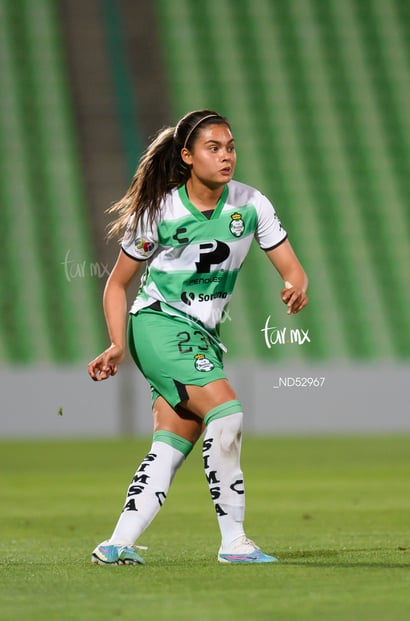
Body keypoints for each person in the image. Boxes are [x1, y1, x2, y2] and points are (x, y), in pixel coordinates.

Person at [88, 109, 308, 566]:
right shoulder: (161, 212)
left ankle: (115, 544)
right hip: (158, 324)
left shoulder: (251, 204)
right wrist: (116, 342)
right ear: (187, 156)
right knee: (226, 413)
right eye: (214, 147)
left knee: (173, 441)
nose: (226, 156)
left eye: (230, 146)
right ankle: (234, 542)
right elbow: (116, 284)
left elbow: (291, 267)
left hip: (202, 335)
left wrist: (295, 284)